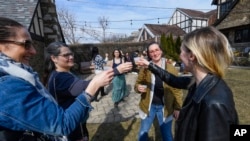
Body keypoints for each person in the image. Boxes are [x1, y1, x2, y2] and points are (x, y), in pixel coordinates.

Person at [0, 17, 113, 140]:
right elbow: (62, 124)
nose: (33, 51)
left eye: (71, 54)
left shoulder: (25, 75)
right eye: (26, 44)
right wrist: (95, 84)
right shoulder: (8, 85)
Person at [137, 26, 239, 141]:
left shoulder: (214, 103)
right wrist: (150, 65)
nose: (179, 56)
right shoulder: (198, 82)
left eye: (181, 51)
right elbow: (173, 80)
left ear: (191, 56)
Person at [134, 42, 183, 141]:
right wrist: (138, 88)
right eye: (151, 51)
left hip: (165, 107)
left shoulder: (170, 68)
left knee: (167, 136)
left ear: (161, 51)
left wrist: (177, 107)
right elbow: (137, 83)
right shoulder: (145, 68)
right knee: (142, 134)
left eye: (156, 50)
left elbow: (177, 89)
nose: (155, 53)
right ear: (149, 54)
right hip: (149, 106)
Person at [43, 42, 90, 141]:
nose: (71, 57)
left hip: (74, 122)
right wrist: (115, 71)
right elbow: (87, 88)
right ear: (54, 58)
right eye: (66, 55)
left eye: (71, 53)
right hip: (72, 129)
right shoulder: (60, 78)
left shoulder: (60, 73)